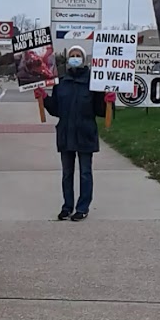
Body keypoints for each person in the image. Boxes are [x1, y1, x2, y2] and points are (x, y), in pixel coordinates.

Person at [34, 45, 107, 221]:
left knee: (85, 172)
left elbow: (101, 110)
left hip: (85, 133)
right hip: (66, 134)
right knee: (67, 173)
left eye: (78, 55)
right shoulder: (62, 82)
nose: (75, 58)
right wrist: (44, 98)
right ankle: (67, 207)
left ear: (83, 59)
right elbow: (56, 109)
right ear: (68, 60)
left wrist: (107, 99)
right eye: (72, 55)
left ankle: (82, 207)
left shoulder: (93, 82)